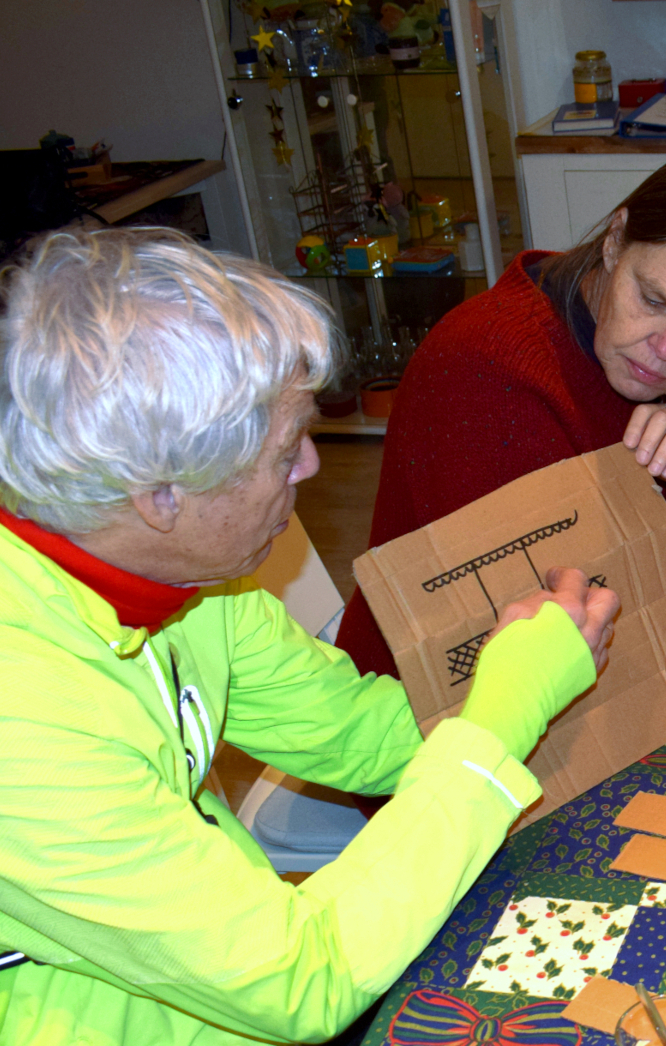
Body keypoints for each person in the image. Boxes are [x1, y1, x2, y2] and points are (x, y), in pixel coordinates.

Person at [0, 227, 619, 1043]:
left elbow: (350, 731)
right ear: (162, 497)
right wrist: (509, 702)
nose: (311, 471)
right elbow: (303, 980)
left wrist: (520, 678)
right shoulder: (25, 731)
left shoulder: (175, 573)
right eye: (287, 448)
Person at [335, 150, 666, 678]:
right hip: (410, 716)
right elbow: (537, 638)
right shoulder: (483, 372)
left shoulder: (663, 333)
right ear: (615, 238)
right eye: (653, 299)